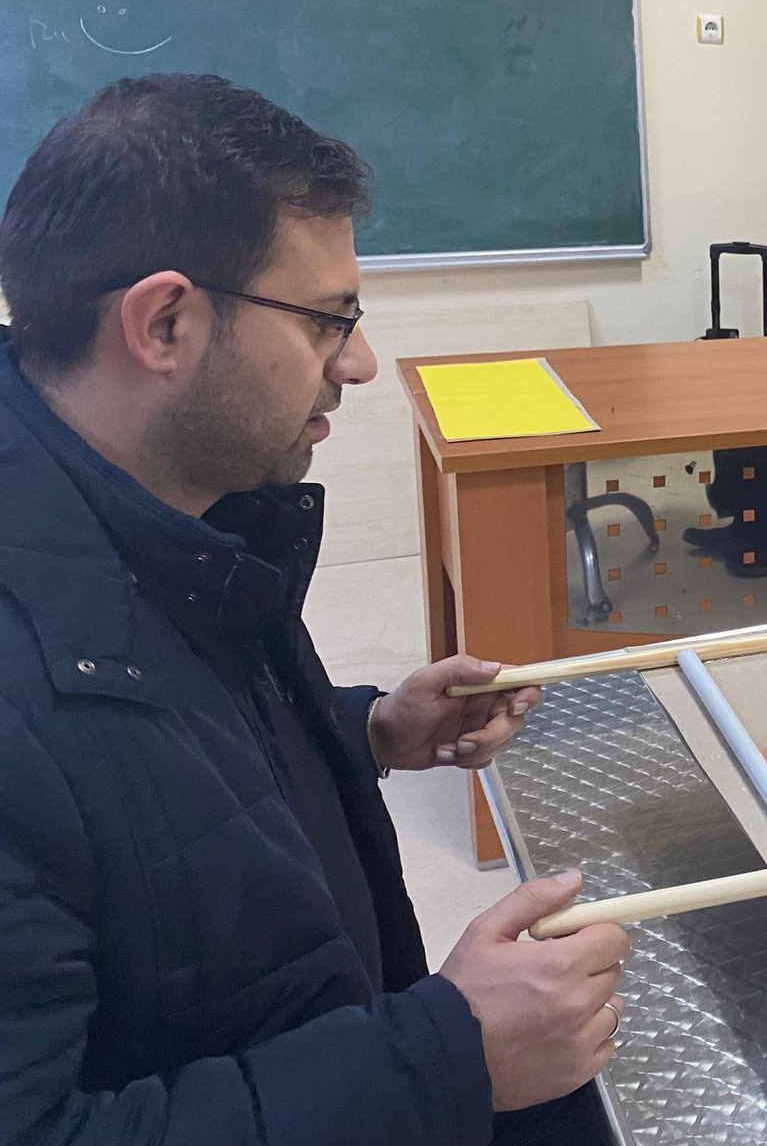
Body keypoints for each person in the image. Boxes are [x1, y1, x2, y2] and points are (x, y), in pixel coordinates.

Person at [0, 75, 629, 1145]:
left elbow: (145, 782)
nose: (360, 362)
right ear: (164, 323)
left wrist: (361, 731)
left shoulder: (164, 516)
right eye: (327, 320)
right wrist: (445, 1057)